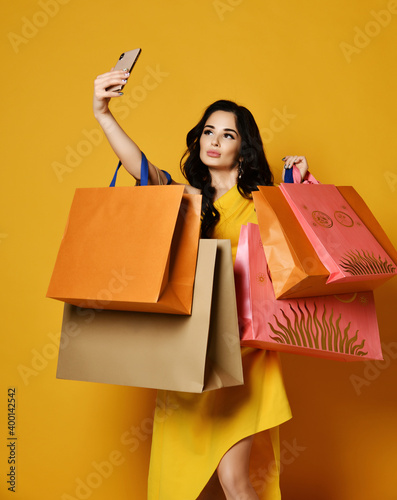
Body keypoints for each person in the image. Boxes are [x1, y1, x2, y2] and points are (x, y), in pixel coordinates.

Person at [93, 68, 311, 500]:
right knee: (171, 485)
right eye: (208, 131)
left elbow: (300, 258)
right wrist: (103, 113)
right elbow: (139, 166)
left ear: (243, 148)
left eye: (227, 134)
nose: (214, 140)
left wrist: (300, 189)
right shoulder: (186, 197)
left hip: (246, 359)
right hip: (189, 358)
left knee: (235, 481)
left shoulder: (267, 202)